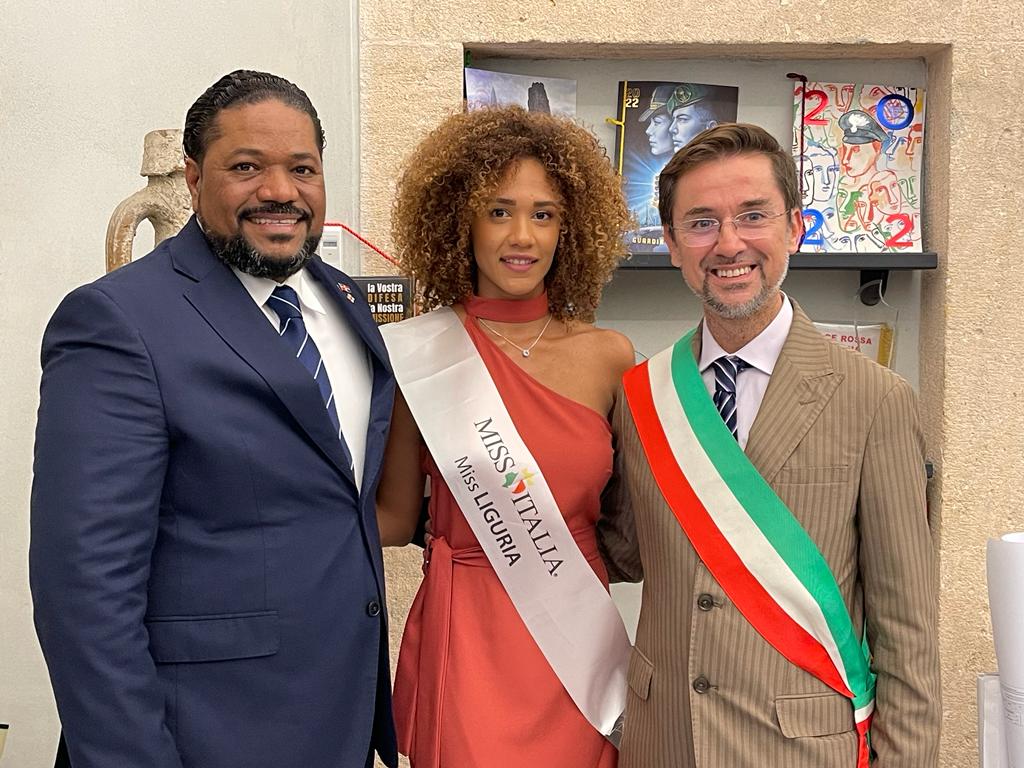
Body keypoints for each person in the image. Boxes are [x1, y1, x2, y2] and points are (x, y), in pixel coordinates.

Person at [30, 70, 397, 768]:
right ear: (195, 179)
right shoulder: (117, 321)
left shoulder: (347, 303)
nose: (281, 191)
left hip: (336, 721)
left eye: (302, 169)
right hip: (201, 733)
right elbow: (83, 589)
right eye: (246, 167)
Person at [599, 123, 940, 767]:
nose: (729, 244)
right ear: (670, 243)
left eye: (753, 216)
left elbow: (907, 635)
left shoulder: (877, 400)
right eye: (701, 223)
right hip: (663, 740)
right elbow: (618, 552)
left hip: (802, 750)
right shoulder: (641, 396)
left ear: (796, 228)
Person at [377, 105, 635, 768]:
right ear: (459, 221)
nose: (522, 236)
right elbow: (395, 518)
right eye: (498, 211)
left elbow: (632, 523)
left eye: (543, 214)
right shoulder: (419, 355)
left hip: (575, 650)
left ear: (569, 228)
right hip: (466, 642)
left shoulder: (609, 358)